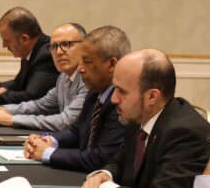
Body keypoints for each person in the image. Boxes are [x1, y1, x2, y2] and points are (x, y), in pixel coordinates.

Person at [77, 49, 210, 188]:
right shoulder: (138, 116)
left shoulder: (185, 133)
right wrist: (105, 175)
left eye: (121, 91)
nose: (114, 99)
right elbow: (120, 162)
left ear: (151, 96)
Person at [22, 25, 131, 172]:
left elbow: (100, 158)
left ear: (111, 64)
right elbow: (76, 132)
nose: (80, 69)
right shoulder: (95, 92)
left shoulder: (121, 102)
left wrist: (47, 153)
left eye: (87, 62)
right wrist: (49, 140)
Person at [0, 22, 87, 132]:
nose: (58, 52)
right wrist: (3, 109)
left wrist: (12, 119)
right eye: (54, 46)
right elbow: (40, 105)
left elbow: (66, 122)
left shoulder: (88, 80)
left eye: (66, 44)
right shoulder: (64, 77)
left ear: (85, 46)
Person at [0, 7, 58, 105]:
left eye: (7, 41)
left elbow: (32, 96)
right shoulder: (30, 51)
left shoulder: (46, 55)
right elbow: (19, 83)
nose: (4, 45)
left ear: (24, 39)